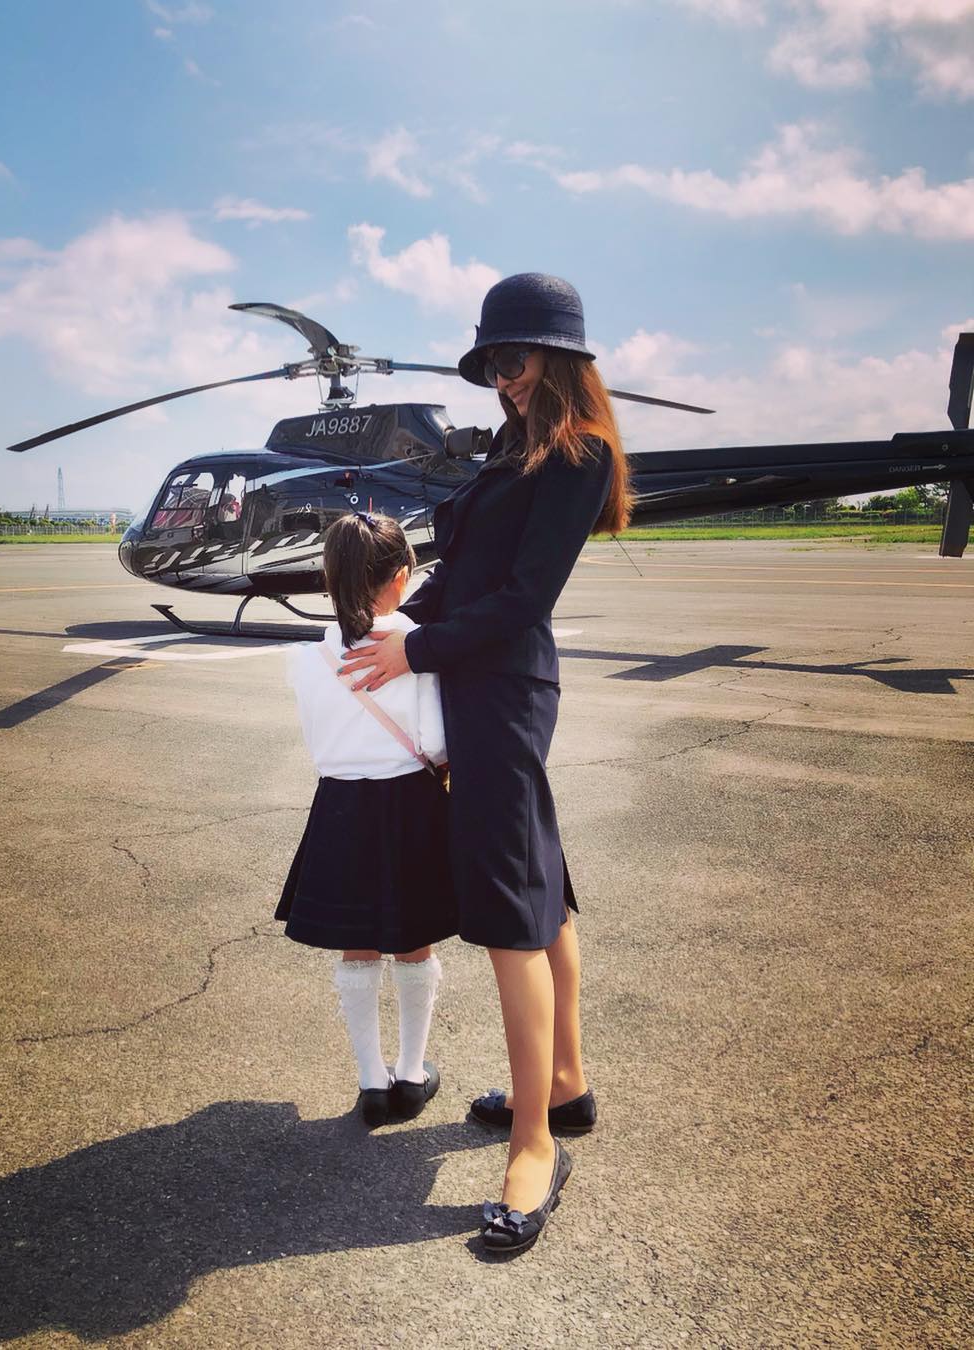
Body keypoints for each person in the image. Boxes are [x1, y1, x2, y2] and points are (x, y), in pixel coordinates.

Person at [338, 273, 633, 1253]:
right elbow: (461, 579)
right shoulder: (515, 451)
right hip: (476, 685)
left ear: (559, 356)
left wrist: (413, 650)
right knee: (542, 892)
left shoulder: (578, 455)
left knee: (510, 915)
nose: (502, 379)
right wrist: (382, 626)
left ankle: (536, 1146)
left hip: (503, 692)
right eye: (492, 365)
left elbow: (522, 599)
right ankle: (566, 1084)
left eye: (513, 359)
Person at [276, 512, 457, 1128]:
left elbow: (317, 741)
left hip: (340, 806)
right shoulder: (413, 645)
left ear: (330, 578)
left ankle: (370, 1082)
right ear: (401, 576)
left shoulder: (309, 657)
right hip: (409, 803)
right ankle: (411, 1072)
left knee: (358, 943)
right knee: (412, 940)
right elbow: (437, 741)